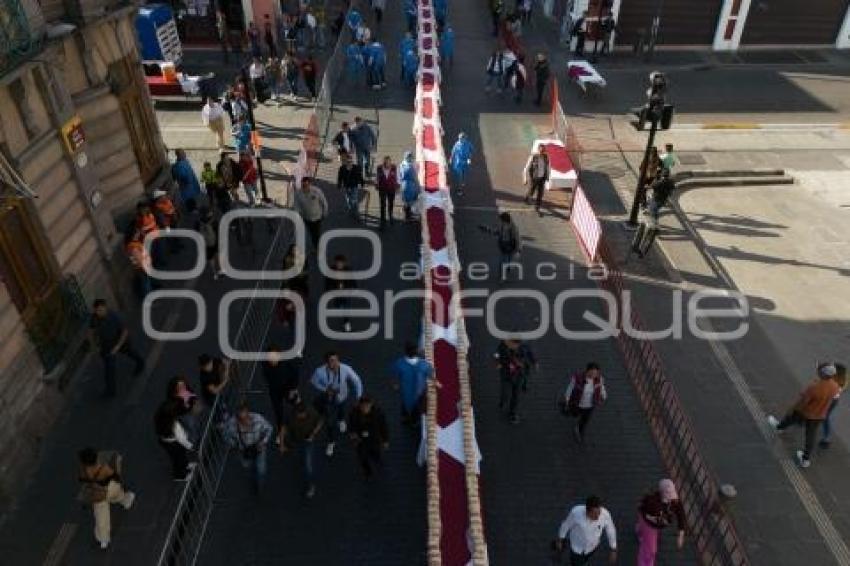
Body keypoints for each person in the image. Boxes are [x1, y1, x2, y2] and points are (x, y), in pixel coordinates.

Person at [767, 362, 841, 468]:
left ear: (823, 374)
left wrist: (792, 408)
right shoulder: (835, 386)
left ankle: (779, 427)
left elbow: (803, 401)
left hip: (806, 412)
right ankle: (805, 459)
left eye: (819, 370)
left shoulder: (814, 387)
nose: (817, 371)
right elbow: (833, 401)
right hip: (819, 415)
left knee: (791, 418)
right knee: (810, 436)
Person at [77, 447, 135, 550]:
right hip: (111, 488)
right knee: (117, 496)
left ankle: (103, 538)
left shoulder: (84, 470)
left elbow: (83, 480)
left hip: (100, 492)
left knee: (101, 514)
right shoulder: (103, 468)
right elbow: (116, 477)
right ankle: (127, 500)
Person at [310, 351, 364, 457]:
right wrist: (325, 389)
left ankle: (341, 420)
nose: (335, 363)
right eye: (331, 361)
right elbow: (314, 381)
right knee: (329, 421)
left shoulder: (345, 368)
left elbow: (357, 381)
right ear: (326, 362)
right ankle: (331, 442)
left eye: (336, 360)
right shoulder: (319, 372)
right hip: (328, 398)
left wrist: (358, 397)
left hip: (342, 394)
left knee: (341, 408)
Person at [89, 299, 144, 397]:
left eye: (101, 310)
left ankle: (140, 363)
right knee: (109, 369)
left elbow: (124, 332)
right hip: (106, 345)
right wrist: (94, 345)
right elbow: (92, 331)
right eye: (97, 310)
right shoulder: (94, 318)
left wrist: (117, 347)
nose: (99, 313)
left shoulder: (114, 316)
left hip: (120, 342)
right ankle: (111, 391)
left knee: (131, 353)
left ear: (105, 308)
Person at [223, 402, 273, 493]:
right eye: (241, 419)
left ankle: (259, 486)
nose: (245, 421)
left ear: (249, 414)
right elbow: (225, 436)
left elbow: (269, 428)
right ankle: (254, 477)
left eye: (246, 418)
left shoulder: (258, 419)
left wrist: (263, 442)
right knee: (248, 467)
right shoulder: (232, 424)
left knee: (261, 470)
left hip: (259, 447)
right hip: (244, 450)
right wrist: (235, 444)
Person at [555, 496, 618, 565]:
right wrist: (560, 539)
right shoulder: (576, 513)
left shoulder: (605, 514)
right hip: (577, 548)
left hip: (592, 547)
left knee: (585, 559)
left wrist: (613, 549)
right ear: (587, 511)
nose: (598, 517)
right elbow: (566, 525)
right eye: (594, 514)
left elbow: (611, 530)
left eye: (599, 512)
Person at [279, 401, 324, 498]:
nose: (299, 417)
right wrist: (282, 444)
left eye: (301, 415)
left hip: (307, 441)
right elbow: (283, 429)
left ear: (305, 412)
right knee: (300, 457)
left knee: (308, 466)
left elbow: (320, 421)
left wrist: (313, 434)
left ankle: (310, 486)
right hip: (295, 440)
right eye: (298, 415)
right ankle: (301, 461)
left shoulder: (312, 413)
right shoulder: (290, 416)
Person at [636, 479, 687, 566]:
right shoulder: (653, 504)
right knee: (650, 550)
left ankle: (639, 531)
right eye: (669, 494)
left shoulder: (674, 501)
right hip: (650, 524)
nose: (673, 498)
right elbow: (651, 516)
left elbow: (681, 515)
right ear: (662, 494)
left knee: (644, 533)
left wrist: (681, 535)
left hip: (653, 522)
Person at [391, 342, 436, 426]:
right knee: (416, 407)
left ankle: (407, 418)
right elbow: (431, 374)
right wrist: (436, 382)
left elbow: (395, 377)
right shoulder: (424, 364)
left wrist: (395, 385)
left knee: (406, 405)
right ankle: (414, 420)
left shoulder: (399, 363)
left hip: (406, 391)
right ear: (416, 352)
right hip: (418, 392)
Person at [562, 362, 608, 444]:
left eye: (596, 373)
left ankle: (579, 430)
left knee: (585, 420)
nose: (595, 375)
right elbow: (570, 387)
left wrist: (604, 395)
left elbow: (602, 388)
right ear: (588, 371)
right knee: (574, 414)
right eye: (593, 372)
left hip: (590, 405)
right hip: (577, 403)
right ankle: (567, 409)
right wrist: (567, 398)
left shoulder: (599, 379)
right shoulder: (577, 378)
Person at [262, 344, 303, 436]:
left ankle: (300, 424)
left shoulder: (287, 362)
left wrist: (293, 389)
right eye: (269, 357)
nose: (271, 360)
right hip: (275, 391)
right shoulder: (265, 364)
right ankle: (281, 432)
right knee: (278, 413)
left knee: (297, 404)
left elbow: (295, 375)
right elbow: (267, 376)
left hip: (288, 388)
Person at [494, 338, 537, 423]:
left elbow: (530, 354)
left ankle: (513, 413)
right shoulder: (503, 345)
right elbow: (496, 354)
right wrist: (497, 362)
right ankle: (503, 400)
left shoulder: (524, 346)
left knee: (516, 395)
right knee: (505, 393)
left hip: (519, 374)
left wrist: (535, 363)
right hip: (506, 374)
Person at [347, 396, 389, 478]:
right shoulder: (354, 414)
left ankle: (377, 462)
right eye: (363, 406)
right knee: (362, 457)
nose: (365, 408)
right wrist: (352, 435)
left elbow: (384, 427)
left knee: (376, 454)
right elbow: (351, 426)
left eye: (367, 406)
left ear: (371, 405)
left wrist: (385, 440)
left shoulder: (378, 414)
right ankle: (367, 471)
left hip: (374, 439)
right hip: (360, 440)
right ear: (360, 405)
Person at [154, 399, 195, 480]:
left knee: (177, 457)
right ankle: (180, 476)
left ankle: (186, 465)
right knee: (178, 458)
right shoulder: (175, 425)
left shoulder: (159, 417)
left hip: (165, 442)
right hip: (174, 443)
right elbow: (182, 439)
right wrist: (191, 446)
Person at [277, 244, 309, 327]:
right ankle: (289, 317)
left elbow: (306, 270)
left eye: (297, 250)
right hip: (291, 282)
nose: (295, 252)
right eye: (294, 250)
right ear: (291, 251)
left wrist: (302, 274)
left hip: (300, 282)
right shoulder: (287, 259)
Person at [324, 254, 357, 332]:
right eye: (338, 263)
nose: (339, 265)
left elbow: (352, 280)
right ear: (335, 263)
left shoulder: (348, 270)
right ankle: (341, 310)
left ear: (344, 263)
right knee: (338, 306)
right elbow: (327, 282)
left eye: (341, 263)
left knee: (346, 309)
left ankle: (346, 322)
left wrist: (354, 288)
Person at [293, 176, 328, 251]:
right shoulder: (298, 193)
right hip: (306, 218)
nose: (304, 187)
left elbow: (324, 202)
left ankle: (318, 247)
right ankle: (316, 244)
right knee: (312, 233)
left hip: (317, 217)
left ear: (310, 184)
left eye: (306, 185)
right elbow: (296, 205)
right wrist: (298, 215)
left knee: (316, 233)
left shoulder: (317, 191)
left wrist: (325, 212)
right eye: (303, 185)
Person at [820, 363, 847, 448]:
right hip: (834, 400)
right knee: (825, 416)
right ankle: (826, 437)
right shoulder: (843, 380)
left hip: (829, 399)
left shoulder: (834, 382)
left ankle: (826, 438)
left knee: (824, 417)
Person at [198, 354, 231, 419]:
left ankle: (224, 410)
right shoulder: (204, 377)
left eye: (209, 364)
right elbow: (214, 391)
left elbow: (227, 362)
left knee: (221, 403)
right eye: (205, 366)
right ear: (202, 367)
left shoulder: (215, 361)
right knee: (216, 408)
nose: (208, 367)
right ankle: (218, 420)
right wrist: (225, 381)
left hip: (218, 386)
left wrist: (226, 372)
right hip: (209, 396)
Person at [171, 149, 202, 215]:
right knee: (188, 198)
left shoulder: (185, 162)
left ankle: (194, 208)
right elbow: (181, 175)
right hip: (186, 185)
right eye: (183, 153)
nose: (185, 154)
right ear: (178, 155)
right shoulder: (178, 165)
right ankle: (191, 210)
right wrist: (186, 180)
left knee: (191, 197)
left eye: (184, 153)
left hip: (191, 184)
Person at [524, 144, 550, 216]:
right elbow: (526, 168)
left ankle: (537, 207)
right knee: (531, 191)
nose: (542, 152)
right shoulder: (533, 157)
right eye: (541, 150)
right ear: (538, 150)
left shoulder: (546, 157)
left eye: (543, 151)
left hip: (542, 179)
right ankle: (527, 198)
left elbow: (548, 168)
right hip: (534, 178)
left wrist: (547, 177)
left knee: (540, 193)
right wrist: (525, 178)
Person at [337, 152, 364, 218]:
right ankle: (351, 210)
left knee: (354, 199)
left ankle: (356, 213)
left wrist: (362, 183)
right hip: (346, 186)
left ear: (352, 161)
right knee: (348, 199)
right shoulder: (342, 168)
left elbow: (360, 176)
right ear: (346, 161)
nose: (349, 163)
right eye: (348, 161)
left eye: (350, 161)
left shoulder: (356, 168)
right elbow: (340, 177)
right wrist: (339, 184)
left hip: (354, 186)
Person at [196, 206, 221, 278]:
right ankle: (219, 269)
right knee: (217, 254)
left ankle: (214, 272)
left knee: (210, 258)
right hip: (215, 241)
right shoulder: (213, 221)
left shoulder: (198, 222)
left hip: (205, 243)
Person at [375, 155, 399, 230]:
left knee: (391, 203)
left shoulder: (394, 167)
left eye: (388, 163)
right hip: (382, 189)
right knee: (382, 205)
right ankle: (382, 221)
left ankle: (390, 216)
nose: (387, 165)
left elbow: (396, 177)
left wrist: (397, 186)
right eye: (386, 164)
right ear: (384, 163)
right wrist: (376, 184)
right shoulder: (379, 168)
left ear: (390, 163)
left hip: (391, 189)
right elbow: (377, 177)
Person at [496, 212, 521, 279]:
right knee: (504, 261)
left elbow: (517, 238)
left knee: (504, 261)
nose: (500, 221)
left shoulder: (513, 227)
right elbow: (498, 233)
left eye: (501, 220)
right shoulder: (501, 225)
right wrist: (487, 229)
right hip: (503, 246)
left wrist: (518, 249)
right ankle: (505, 271)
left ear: (505, 220)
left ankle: (503, 276)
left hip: (510, 246)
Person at [399, 151, 420, 221]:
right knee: (410, 201)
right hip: (410, 186)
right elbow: (415, 178)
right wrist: (418, 187)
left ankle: (405, 212)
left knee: (405, 200)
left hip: (403, 185)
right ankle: (407, 216)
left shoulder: (402, 164)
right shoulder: (410, 167)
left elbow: (399, 175)